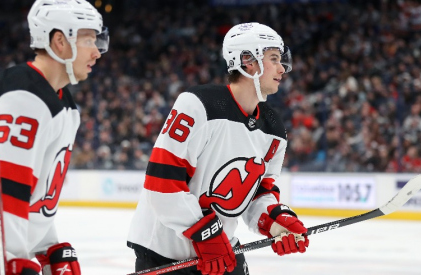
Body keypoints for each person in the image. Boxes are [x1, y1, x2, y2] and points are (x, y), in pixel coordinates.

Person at [127, 22, 309, 275]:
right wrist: (204, 233)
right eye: (274, 59)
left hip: (222, 254)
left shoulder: (275, 128)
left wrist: (277, 221)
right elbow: (162, 182)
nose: (282, 68)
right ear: (248, 60)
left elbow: (258, 192)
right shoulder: (197, 104)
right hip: (166, 257)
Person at [0, 0, 108, 274]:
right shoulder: (24, 97)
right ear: (60, 41)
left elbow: (32, 196)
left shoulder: (62, 103)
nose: (97, 52)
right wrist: (14, 259)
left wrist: (49, 248)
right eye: (90, 40)